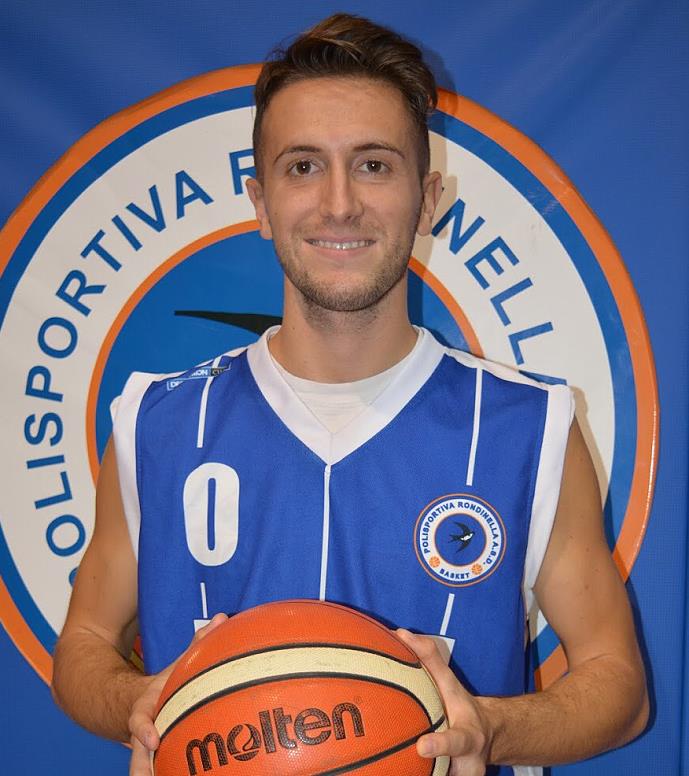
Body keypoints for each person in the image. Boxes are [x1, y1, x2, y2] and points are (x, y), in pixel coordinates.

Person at [51, 13, 648, 776]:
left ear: (426, 200)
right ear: (259, 201)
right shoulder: (156, 422)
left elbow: (616, 684)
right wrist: (140, 706)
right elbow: (84, 645)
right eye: (302, 166)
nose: (338, 204)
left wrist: (487, 730)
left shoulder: (528, 426)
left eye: (373, 165)